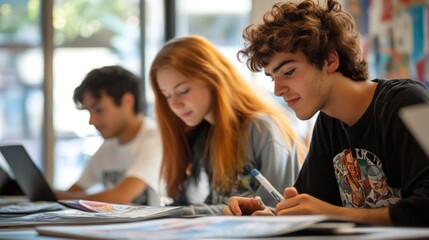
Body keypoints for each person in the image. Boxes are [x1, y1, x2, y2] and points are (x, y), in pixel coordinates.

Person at [224, 0, 429, 227]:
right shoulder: (329, 121)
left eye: (289, 72)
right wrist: (269, 214)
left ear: (330, 60)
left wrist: (333, 214)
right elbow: (312, 207)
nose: (277, 90)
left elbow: (424, 208)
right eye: (273, 78)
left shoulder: (404, 102)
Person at [149, 35, 306, 214]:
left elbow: (274, 210)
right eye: (166, 95)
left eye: (183, 90)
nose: (174, 104)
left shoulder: (262, 129)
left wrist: (186, 213)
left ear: (213, 78)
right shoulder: (205, 135)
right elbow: (215, 203)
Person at [55, 65, 163, 205]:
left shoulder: (155, 138)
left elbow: (120, 197)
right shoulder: (107, 146)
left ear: (127, 101)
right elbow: (73, 192)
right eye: (89, 111)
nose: (91, 121)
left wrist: (53, 198)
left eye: (99, 110)